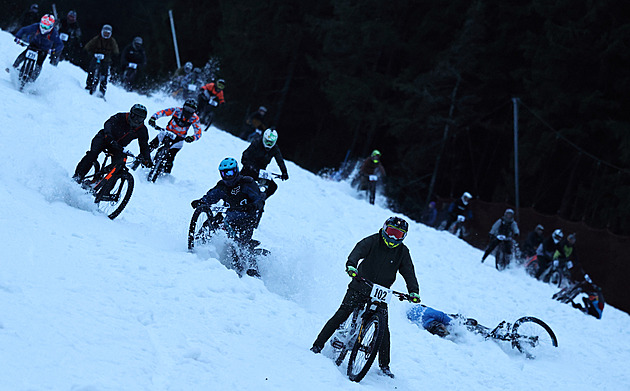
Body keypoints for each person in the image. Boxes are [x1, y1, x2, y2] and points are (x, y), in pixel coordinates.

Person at [310, 216, 421, 379]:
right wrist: (351, 265)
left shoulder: (403, 252)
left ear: (403, 237)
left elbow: (409, 272)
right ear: (384, 229)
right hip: (360, 285)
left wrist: (413, 291)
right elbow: (358, 251)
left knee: (384, 330)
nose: (392, 238)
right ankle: (317, 346)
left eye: (398, 235)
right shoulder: (373, 241)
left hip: (382, 292)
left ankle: (384, 365)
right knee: (342, 314)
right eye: (391, 232)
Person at [190, 158, 265, 275]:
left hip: (246, 218)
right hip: (229, 216)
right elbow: (211, 196)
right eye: (224, 173)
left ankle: (252, 268)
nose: (227, 177)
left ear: (236, 171)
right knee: (214, 221)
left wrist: (252, 206)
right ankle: (198, 243)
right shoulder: (222, 186)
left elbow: (259, 200)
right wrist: (201, 202)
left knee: (243, 244)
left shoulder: (247, 183)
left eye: (230, 173)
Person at [73, 104, 152, 182]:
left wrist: (147, 159)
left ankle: (105, 191)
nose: (137, 120)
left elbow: (144, 145)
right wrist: (108, 135)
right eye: (135, 116)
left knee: (119, 165)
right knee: (92, 154)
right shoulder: (121, 116)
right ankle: (78, 176)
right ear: (131, 114)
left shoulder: (142, 130)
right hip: (104, 138)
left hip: (117, 147)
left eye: (140, 118)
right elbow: (108, 123)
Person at [147, 99, 204, 174]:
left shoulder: (194, 118)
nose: (188, 111)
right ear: (183, 107)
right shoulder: (176, 110)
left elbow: (198, 133)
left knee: (170, 158)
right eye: (187, 108)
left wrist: (192, 138)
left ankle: (166, 175)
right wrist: (153, 118)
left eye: (191, 110)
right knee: (151, 146)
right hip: (167, 133)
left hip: (179, 139)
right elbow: (162, 112)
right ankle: (140, 158)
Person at [12, 14, 64, 82]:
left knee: (39, 64)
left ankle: (32, 81)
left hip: (44, 49)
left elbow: (60, 44)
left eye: (46, 27)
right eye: (42, 25)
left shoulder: (54, 33)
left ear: (51, 26)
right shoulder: (36, 26)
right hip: (34, 45)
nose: (44, 28)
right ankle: (14, 67)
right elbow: (24, 30)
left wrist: (53, 51)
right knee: (24, 54)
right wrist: (18, 37)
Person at [240, 128, 289, 199]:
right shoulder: (256, 143)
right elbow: (245, 155)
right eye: (267, 141)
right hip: (248, 169)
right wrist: (249, 166)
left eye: (271, 142)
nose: (268, 144)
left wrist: (284, 172)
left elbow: (280, 160)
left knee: (273, 187)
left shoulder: (275, 148)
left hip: (260, 173)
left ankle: (259, 202)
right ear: (263, 138)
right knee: (240, 184)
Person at [84, 24, 119, 97]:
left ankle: (102, 90)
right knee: (91, 69)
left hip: (106, 59)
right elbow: (88, 46)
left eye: (108, 33)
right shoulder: (97, 39)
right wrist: (91, 53)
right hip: (96, 56)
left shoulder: (112, 41)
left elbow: (116, 51)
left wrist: (112, 56)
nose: (106, 34)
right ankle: (89, 85)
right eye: (105, 33)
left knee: (104, 74)